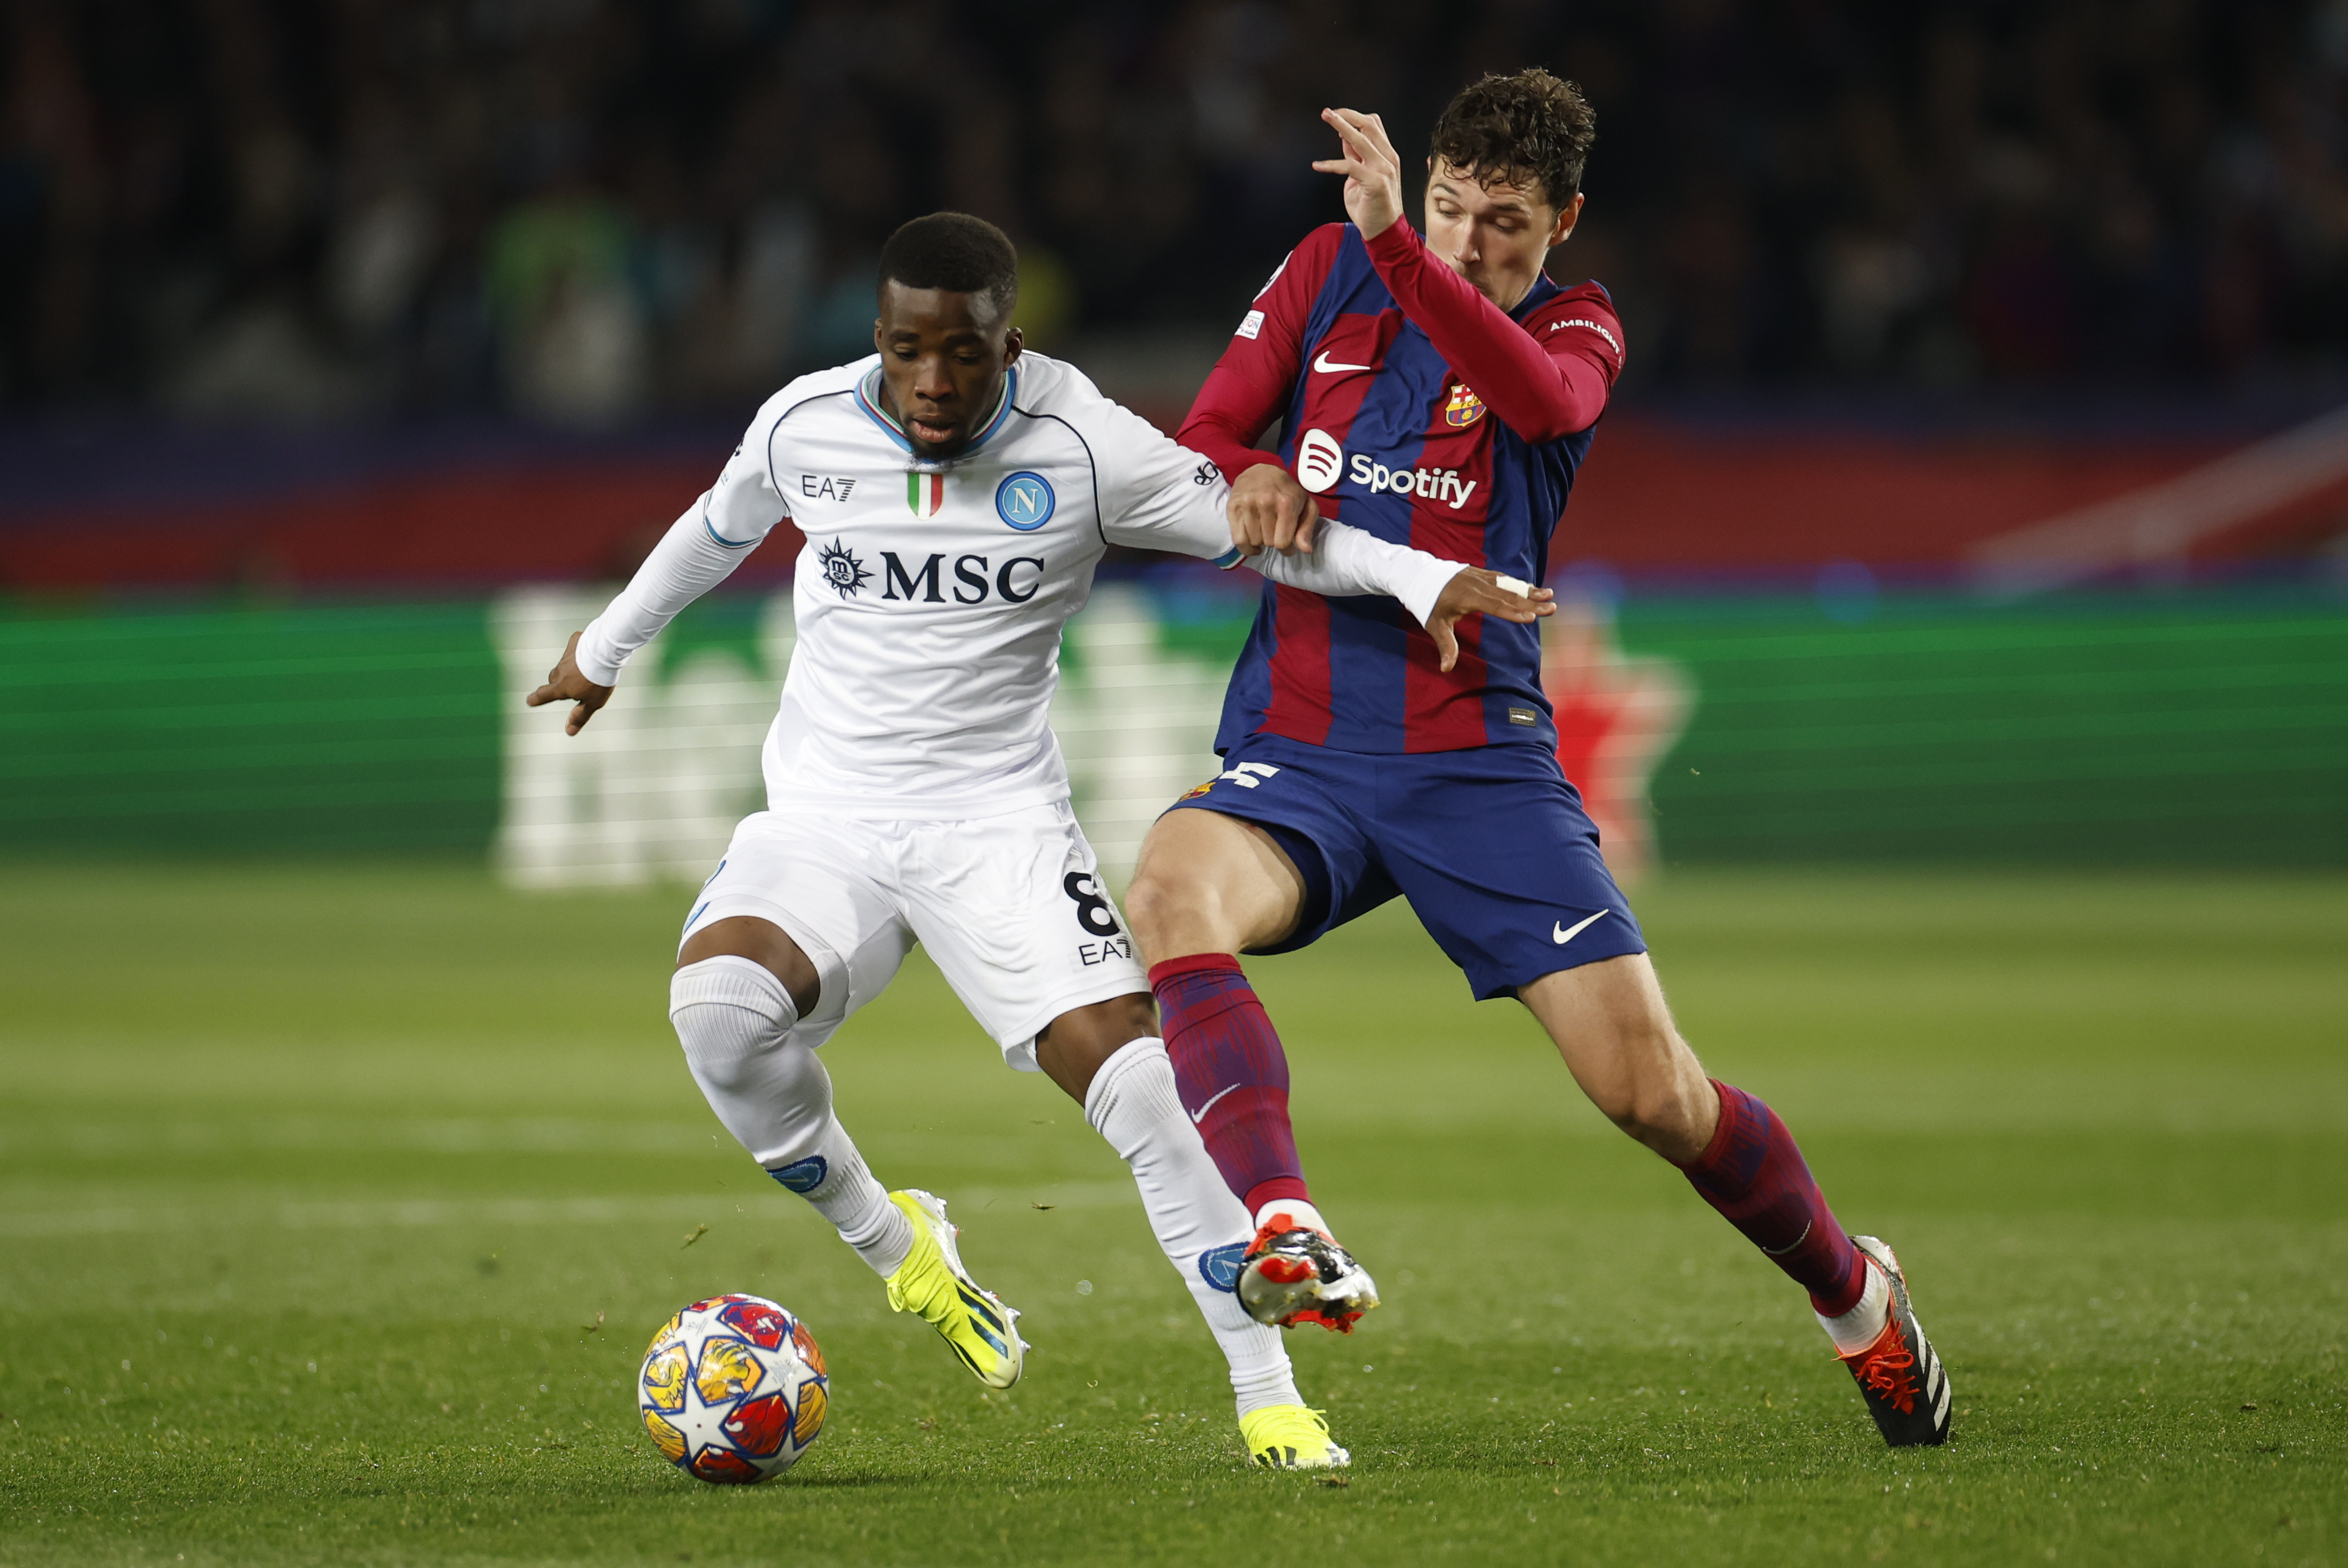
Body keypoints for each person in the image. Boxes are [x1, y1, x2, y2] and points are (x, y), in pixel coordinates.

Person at [526, 212, 1548, 1472]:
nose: (933, 383)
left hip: (995, 826)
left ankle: (1269, 1393)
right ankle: (902, 1252)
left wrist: (1413, 578)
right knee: (721, 1018)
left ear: (1010, 343)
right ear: (880, 341)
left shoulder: (1082, 440)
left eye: (962, 354)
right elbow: (714, 526)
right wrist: (602, 649)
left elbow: (1264, 530)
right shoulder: (804, 423)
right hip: (826, 818)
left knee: (1142, 1093)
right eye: (907, 352)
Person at [1122, 73, 1951, 1448]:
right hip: (1300, 751)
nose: (1465, 243)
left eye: (1502, 223)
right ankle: (1283, 1218)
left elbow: (1543, 406)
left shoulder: (1578, 324)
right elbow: (1208, 429)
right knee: (1168, 890)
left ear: (1563, 221)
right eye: (1447, 208)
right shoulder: (1327, 265)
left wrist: (1401, 248)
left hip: (1477, 770)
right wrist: (1243, 470)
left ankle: (1854, 1294)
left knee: (1651, 1094)